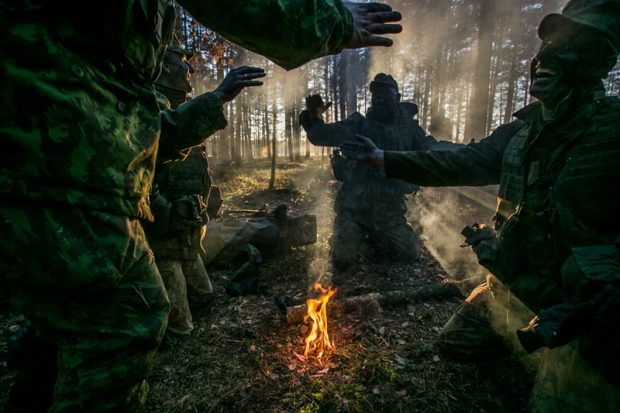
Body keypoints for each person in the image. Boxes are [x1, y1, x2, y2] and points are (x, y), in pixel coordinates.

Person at [0, 1, 402, 411]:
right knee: (124, 326)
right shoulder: (64, 81)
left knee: (62, 339)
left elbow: (152, 135)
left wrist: (218, 100)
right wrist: (329, 27)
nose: (183, 71)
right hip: (58, 184)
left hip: (74, 187)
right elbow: (316, 134)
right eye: (181, 63)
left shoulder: (102, 87)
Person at [341, 0, 620, 410]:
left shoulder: (611, 131)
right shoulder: (523, 131)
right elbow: (463, 161)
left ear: (596, 59)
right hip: (512, 286)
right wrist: (382, 159)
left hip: (580, 315)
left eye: (568, 43)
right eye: (546, 44)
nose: (543, 58)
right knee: (455, 343)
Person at [148, 40, 266, 337]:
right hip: (160, 245)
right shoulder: (146, 110)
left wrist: (207, 204)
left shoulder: (182, 111)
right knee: (180, 328)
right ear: (161, 66)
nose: (189, 68)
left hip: (187, 239)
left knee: (204, 297)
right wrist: (170, 213)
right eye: (181, 61)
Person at [299, 73, 456, 270]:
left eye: (385, 94)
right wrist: (313, 117)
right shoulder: (358, 125)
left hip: (388, 212)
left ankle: (376, 242)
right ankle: (358, 239)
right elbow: (321, 135)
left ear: (397, 98)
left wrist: (461, 151)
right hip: (354, 209)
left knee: (408, 253)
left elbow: (431, 148)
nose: (379, 98)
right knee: (341, 260)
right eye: (375, 95)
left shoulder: (410, 131)